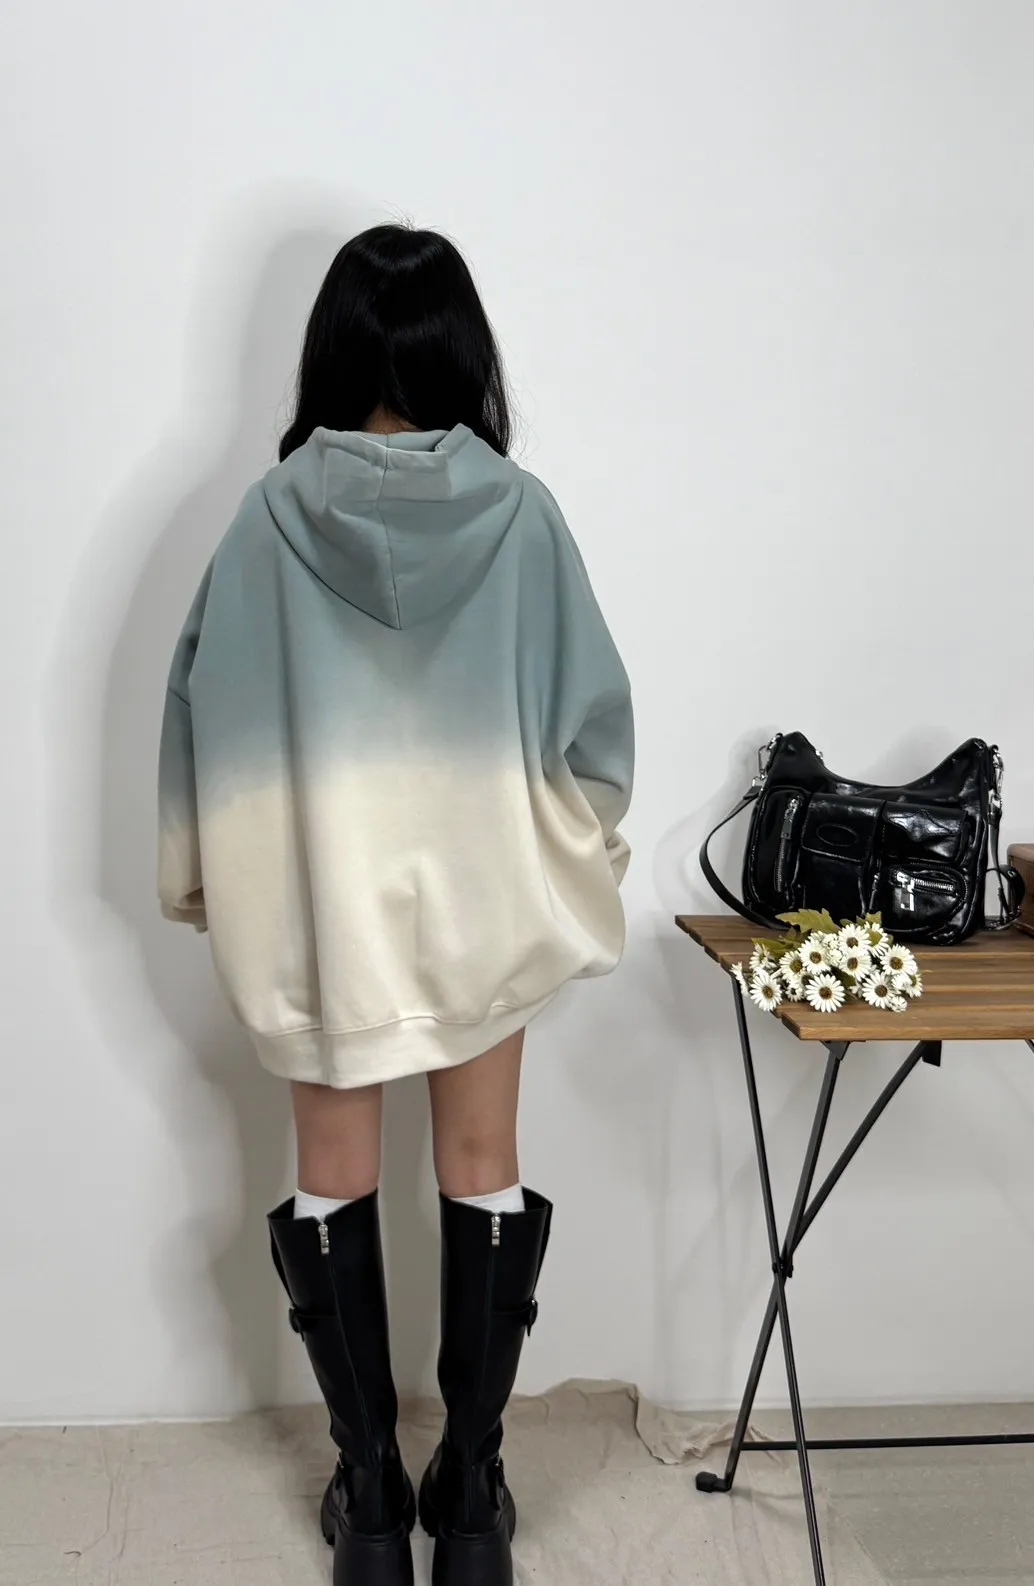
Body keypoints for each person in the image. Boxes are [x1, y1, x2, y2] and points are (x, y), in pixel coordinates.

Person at [157, 224, 634, 1586]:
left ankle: (372, 1503)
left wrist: (204, 878)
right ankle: (469, 1503)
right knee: (482, 1165)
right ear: (464, 356)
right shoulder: (523, 515)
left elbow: (200, 723)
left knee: (332, 1172)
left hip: (323, 910)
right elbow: (596, 732)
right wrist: (577, 843)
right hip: (487, 897)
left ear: (331, 353)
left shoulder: (266, 520)